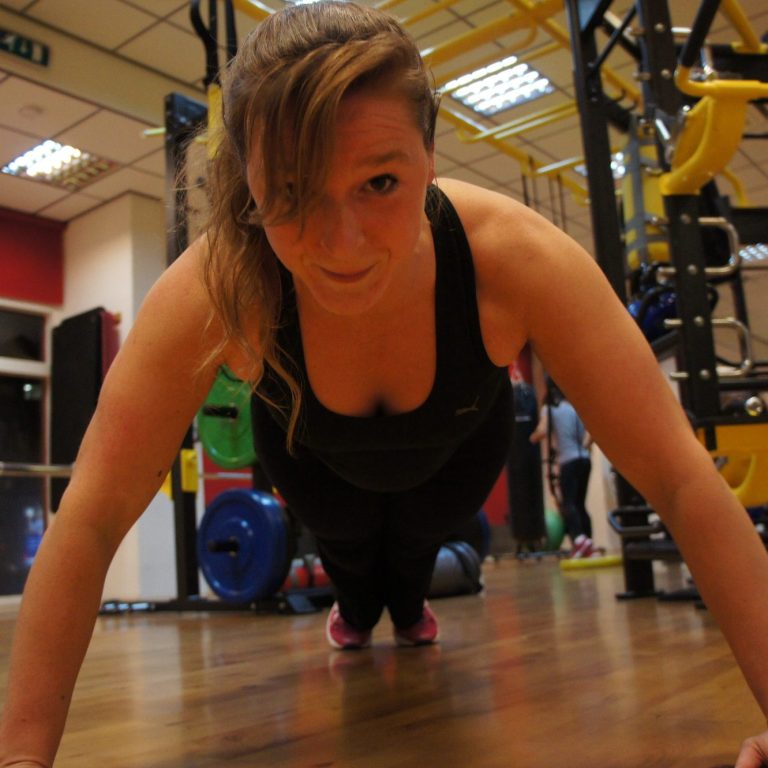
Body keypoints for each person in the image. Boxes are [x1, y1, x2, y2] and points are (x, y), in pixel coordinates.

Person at [1, 2, 768, 765]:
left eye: (380, 182)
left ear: (430, 157)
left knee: (412, 567)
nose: (342, 245)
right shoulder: (217, 287)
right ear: (248, 182)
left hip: (455, 449)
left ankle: (406, 609)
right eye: (294, 194)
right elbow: (92, 516)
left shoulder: (516, 258)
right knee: (353, 567)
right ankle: (357, 607)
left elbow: (679, 476)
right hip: (312, 457)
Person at [530, 378, 595, 558]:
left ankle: (580, 540)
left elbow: (542, 431)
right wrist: (584, 445)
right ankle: (589, 543)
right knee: (580, 503)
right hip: (585, 460)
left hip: (568, 461)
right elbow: (590, 434)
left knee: (569, 503)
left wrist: (530, 437)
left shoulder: (549, 409)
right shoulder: (575, 408)